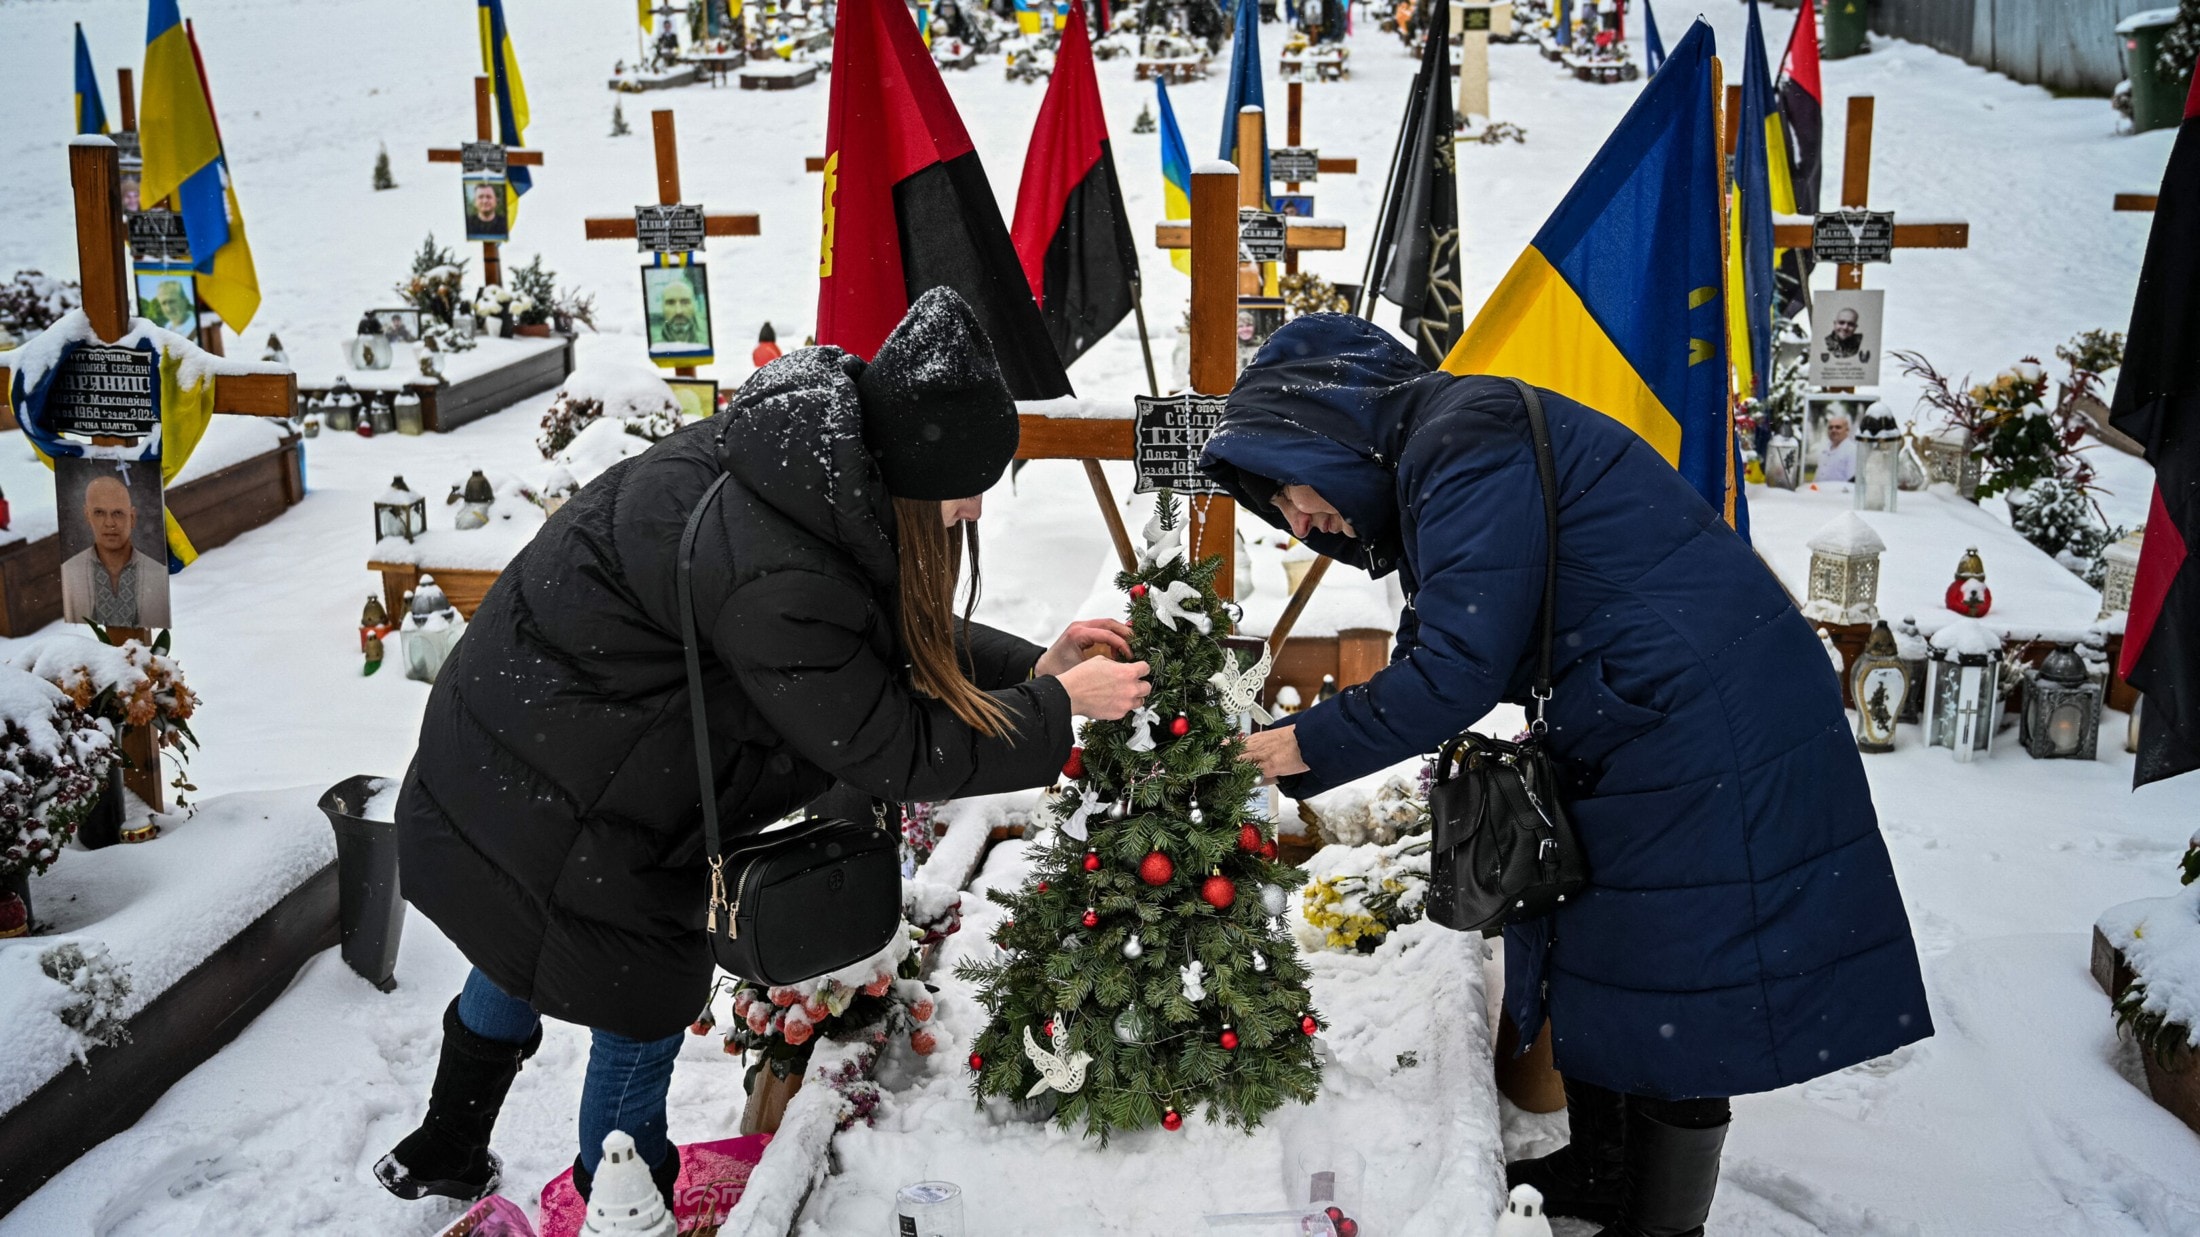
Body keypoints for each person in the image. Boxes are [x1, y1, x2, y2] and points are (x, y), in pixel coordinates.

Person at [376, 288, 1151, 1212]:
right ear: (911, 469)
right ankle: (623, 1206)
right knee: (634, 985)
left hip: (509, 750)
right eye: (965, 488)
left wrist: (1037, 669)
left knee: (521, 924)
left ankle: (448, 1139)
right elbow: (889, 745)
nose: (973, 508)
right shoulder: (783, 564)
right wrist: (1055, 710)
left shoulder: (807, 471)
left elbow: (873, 627)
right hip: (579, 784)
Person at [1200, 315, 1930, 1237]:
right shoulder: (1442, 451)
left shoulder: (1463, 439)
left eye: (1295, 496)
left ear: (1327, 429)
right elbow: (1454, 629)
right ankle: (1605, 1165)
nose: (1301, 524)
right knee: (1609, 949)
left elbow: (1453, 673)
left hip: (1703, 717)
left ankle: (1660, 1223)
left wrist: (1293, 746)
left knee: (1679, 978)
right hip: (1643, 713)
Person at [61, 471, 170, 627]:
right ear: (87, 516)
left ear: (132, 517)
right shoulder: (70, 572)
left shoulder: (157, 574)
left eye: (118, 513)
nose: (109, 523)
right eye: (99, 513)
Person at [652, 275, 706, 345]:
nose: (678, 311)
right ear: (662, 307)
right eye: (671, 303)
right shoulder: (653, 345)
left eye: (685, 302)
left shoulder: (708, 340)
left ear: (694, 305)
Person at [1817, 407, 1857, 483]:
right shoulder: (1824, 449)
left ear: (1847, 430)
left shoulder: (1853, 450)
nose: (1833, 430)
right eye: (1830, 427)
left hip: (1839, 494)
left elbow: (1851, 481)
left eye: (1838, 427)